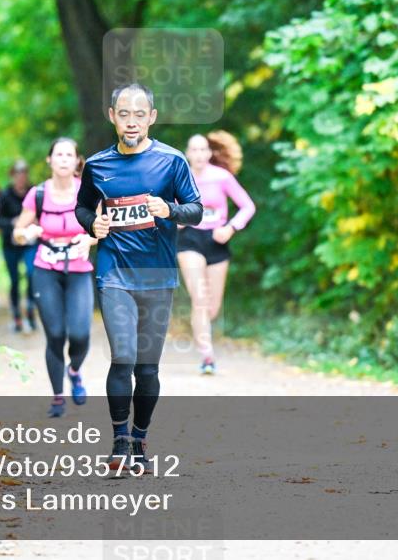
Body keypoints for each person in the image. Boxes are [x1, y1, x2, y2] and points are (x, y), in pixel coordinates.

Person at [75, 83, 203, 472]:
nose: (132, 122)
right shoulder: (98, 165)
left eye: (139, 114)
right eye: (124, 114)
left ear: (152, 117)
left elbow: (196, 210)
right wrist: (92, 224)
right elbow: (81, 209)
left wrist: (169, 209)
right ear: (112, 116)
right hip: (114, 274)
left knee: (148, 369)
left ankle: (140, 440)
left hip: (158, 276)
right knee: (124, 359)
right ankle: (118, 443)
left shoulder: (172, 161)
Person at [13, 139, 97, 418]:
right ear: (49, 160)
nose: (63, 159)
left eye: (68, 155)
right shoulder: (37, 194)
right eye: (58, 154)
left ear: (76, 161)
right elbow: (18, 231)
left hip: (78, 269)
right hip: (46, 269)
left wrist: (89, 238)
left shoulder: (87, 192)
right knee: (56, 334)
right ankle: (58, 396)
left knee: (80, 334)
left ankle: (74, 371)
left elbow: (101, 227)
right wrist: (28, 234)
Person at [177, 132, 256, 375]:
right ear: (188, 154)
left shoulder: (222, 177)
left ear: (209, 153)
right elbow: (165, 208)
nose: (199, 155)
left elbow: (248, 206)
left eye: (203, 150)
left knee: (212, 306)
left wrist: (231, 228)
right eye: (195, 150)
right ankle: (207, 356)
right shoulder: (178, 177)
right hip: (189, 239)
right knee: (199, 298)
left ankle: (205, 340)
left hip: (216, 240)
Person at [0, 159, 38, 333]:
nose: (21, 177)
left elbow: (43, 214)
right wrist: (13, 223)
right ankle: (16, 316)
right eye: (17, 174)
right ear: (12, 175)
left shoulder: (34, 192)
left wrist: (35, 222)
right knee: (14, 280)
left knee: (31, 273)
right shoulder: (5, 195)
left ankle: (30, 310)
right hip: (10, 244)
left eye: (24, 173)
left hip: (30, 243)